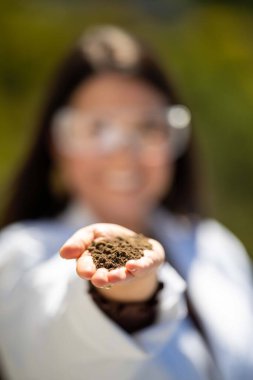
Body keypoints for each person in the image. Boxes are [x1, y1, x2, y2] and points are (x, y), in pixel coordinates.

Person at [0, 25, 252, 380]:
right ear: (57, 144)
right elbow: (54, 352)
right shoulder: (19, 253)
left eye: (148, 128)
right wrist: (126, 298)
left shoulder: (216, 246)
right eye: (97, 129)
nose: (123, 154)